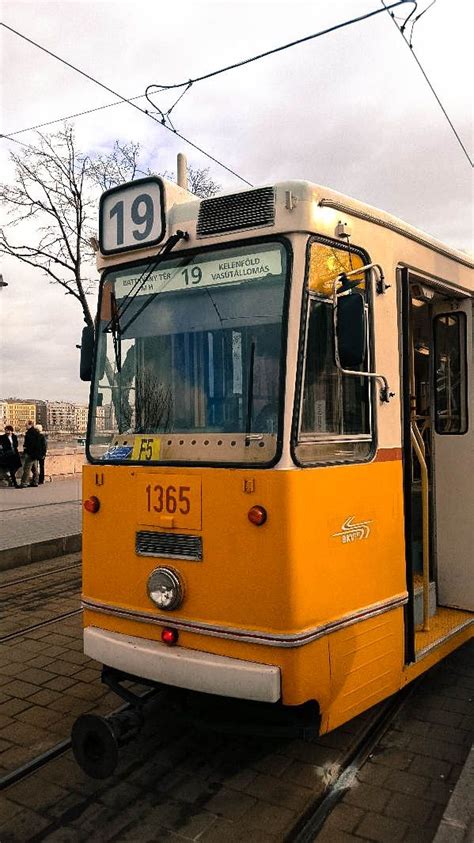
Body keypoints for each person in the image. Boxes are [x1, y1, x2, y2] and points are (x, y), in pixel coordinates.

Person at [20, 420, 42, 488]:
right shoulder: (36, 433)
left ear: (30, 425)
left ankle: (24, 483)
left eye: (26, 425)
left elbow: (30, 444)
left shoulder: (30, 433)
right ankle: (35, 482)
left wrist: (26, 449)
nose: (25, 426)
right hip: (35, 454)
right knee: (34, 469)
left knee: (27, 469)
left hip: (30, 454)